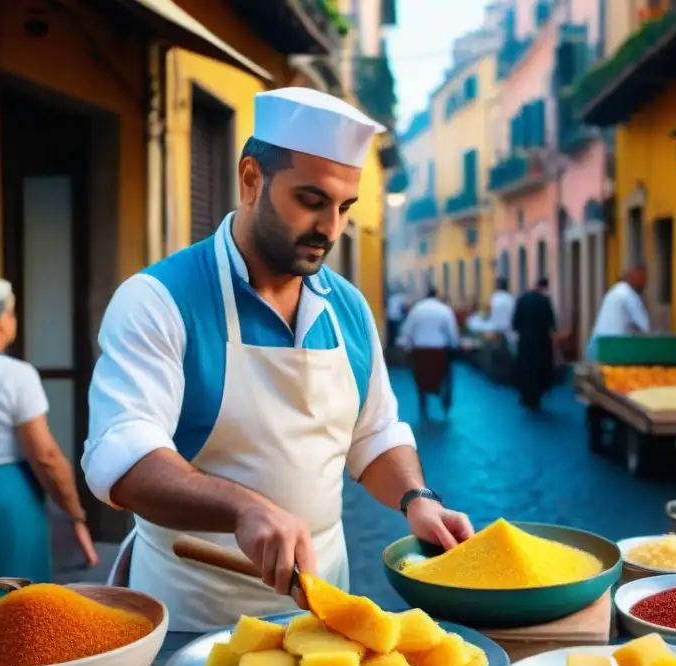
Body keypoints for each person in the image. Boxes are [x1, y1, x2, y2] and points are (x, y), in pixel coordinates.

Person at [83, 88, 473, 632]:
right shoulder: (159, 299)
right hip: (192, 616)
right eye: (311, 201)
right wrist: (243, 507)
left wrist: (416, 498)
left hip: (321, 609)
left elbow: (375, 434)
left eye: (344, 208)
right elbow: (120, 459)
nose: (331, 228)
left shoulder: (349, 308)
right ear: (251, 179)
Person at [0, 278, 99, 582]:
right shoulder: (15, 375)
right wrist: (76, 514)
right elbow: (46, 455)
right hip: (4, 495)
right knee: (12, 601)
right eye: (11, 313)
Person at [398, 286, 459, 418]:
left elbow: (407, 331)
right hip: (439, 350)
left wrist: (408, 346)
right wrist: (454, 346)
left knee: (421, 376)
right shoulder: (445, 310)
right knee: (445, 374)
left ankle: (423, 401)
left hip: (420, 351)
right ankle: (445, 401)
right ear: (436, 296)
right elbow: (452, 333)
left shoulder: (416, 310)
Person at [587, 265, 651, 360]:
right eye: (643, 279)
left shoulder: (615, 290)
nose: (645, 284)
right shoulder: (629, 294)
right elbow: (645, 328)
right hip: (610, 350)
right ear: (634, 277)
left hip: (595, 347)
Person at [512, 277, 557, 411]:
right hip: (541, 342)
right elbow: (551, 323)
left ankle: (526, 397)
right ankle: (537, 398)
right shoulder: (545, 301)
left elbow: (515, 323)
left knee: (526, 369)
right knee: (540, 369)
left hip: (525, 341)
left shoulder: (522, 299)